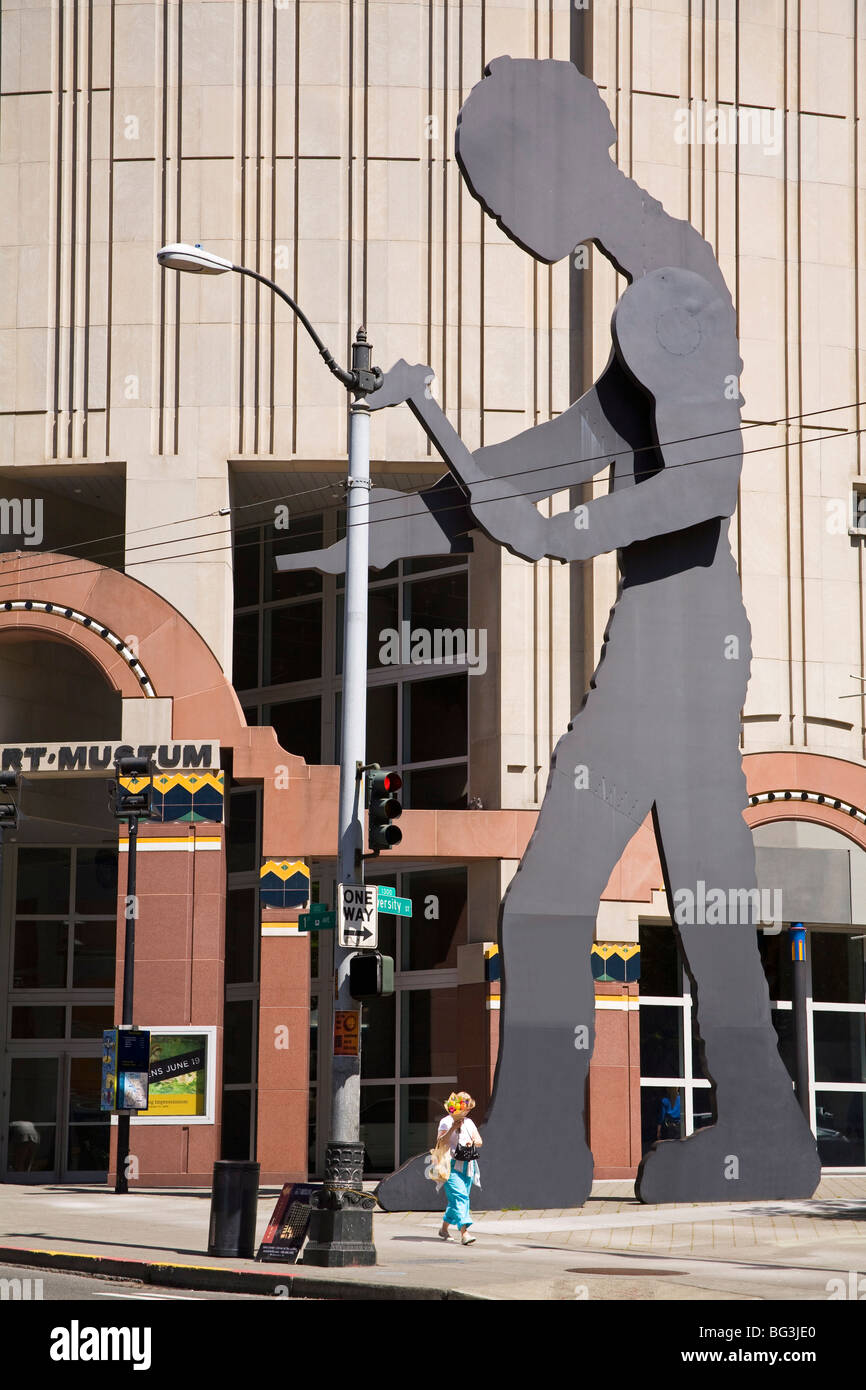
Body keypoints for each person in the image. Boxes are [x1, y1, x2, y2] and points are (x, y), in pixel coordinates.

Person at [437, 1092, 482, 1245]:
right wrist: (453, 1128)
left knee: (457, 1200)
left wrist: (473, 1142)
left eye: (468, 1109)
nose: (467, 1111)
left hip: (468, 1165)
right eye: (465, 1108)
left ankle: (443, 1229)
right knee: (461, 1197)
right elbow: (440, 1142)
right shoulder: (446, 1122)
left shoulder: (469, 1123)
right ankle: (465, 1233)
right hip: (449, 1165)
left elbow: (480, 1141)